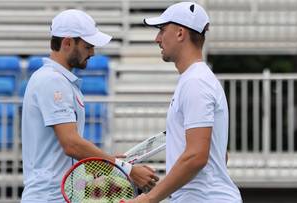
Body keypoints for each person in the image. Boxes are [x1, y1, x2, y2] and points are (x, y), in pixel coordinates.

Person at [21, 9, 158, 203]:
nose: (92, 52)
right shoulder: (52, 80)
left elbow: (68, 151)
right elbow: (71, 144)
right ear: (67, 43)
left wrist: (104, 162)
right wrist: (125, 168)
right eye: (87, 46)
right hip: (49, 198)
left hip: (59, 196)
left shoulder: (58, 80)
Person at [126, 2, 242, 203]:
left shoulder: (196, 82)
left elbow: (197, 156)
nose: (157, 39)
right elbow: (220, 156)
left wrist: (147, 199)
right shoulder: (197, 79)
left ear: (180, 33)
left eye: (162, 30)